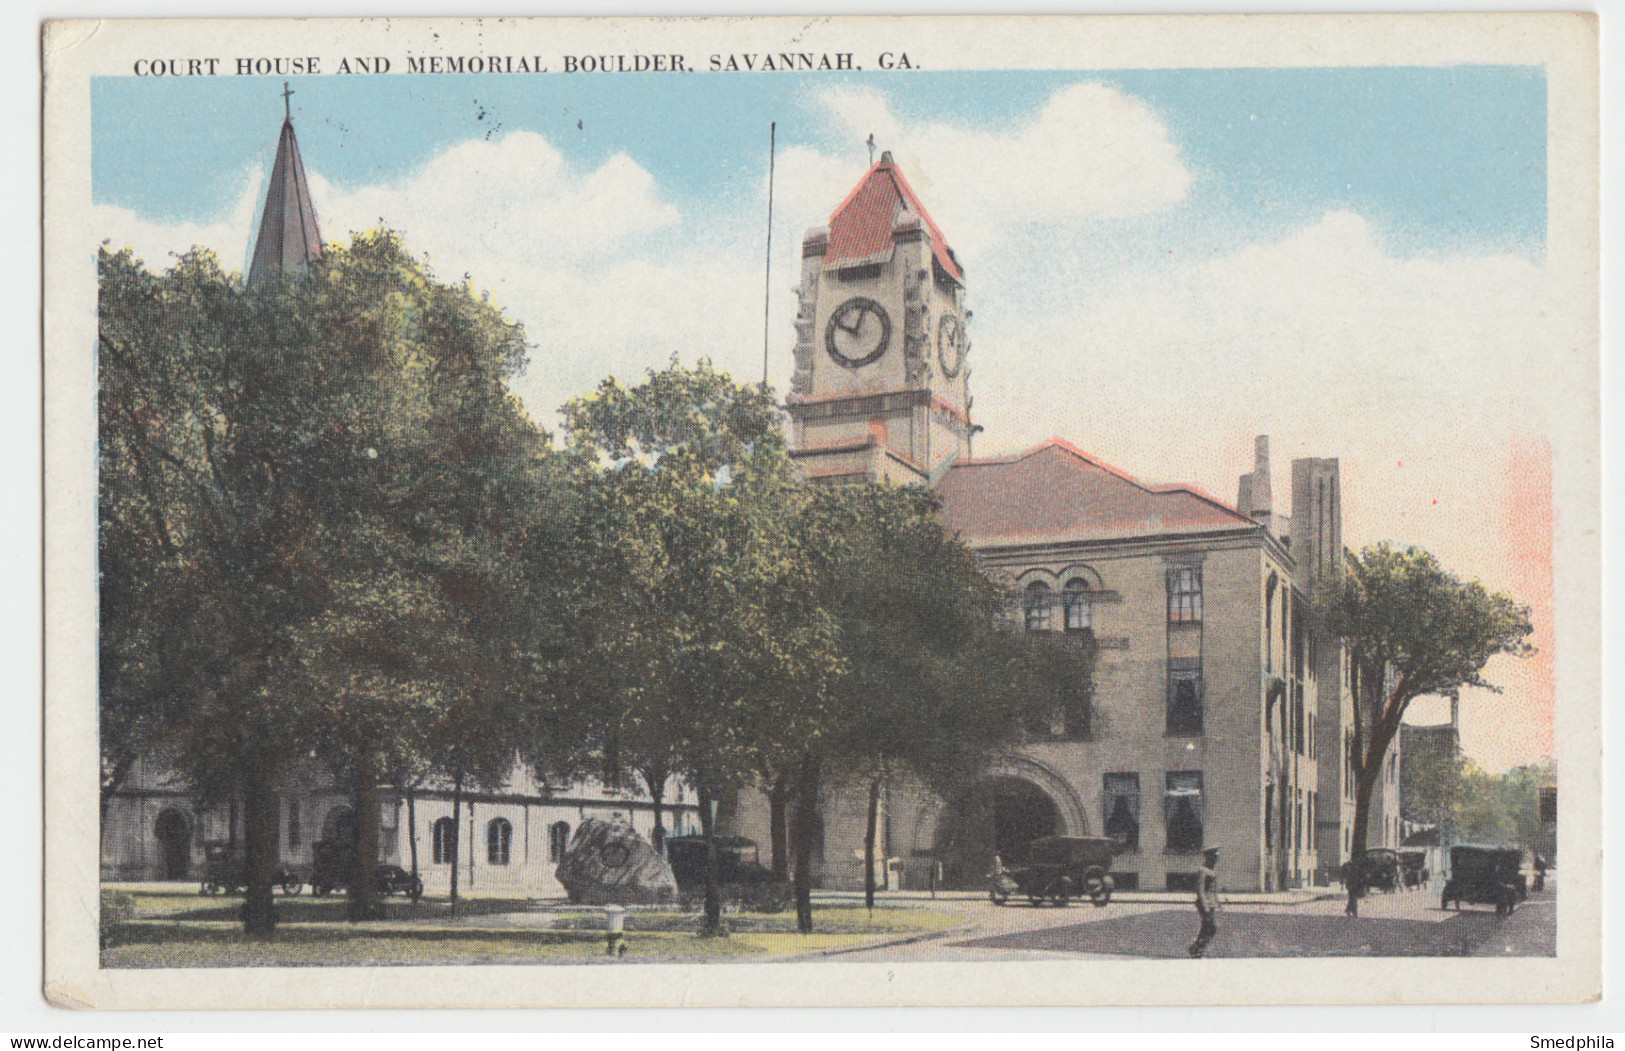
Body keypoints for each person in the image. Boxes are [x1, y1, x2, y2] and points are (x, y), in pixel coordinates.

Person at [1188, 846, 1221, 958]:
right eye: (1215, 856)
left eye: (1217, 857)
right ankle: (1196, 948)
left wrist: (1217, 901)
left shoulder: (1212, 871)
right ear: (1209, 857)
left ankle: (1197, 949)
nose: (1217, 859)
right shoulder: (1203, 870)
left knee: (1208, 927)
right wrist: (1205, 905)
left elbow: (1213, 889)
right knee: (1211, 927)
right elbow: (1200, 889)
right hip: (1204, 904)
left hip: (1210, 904)